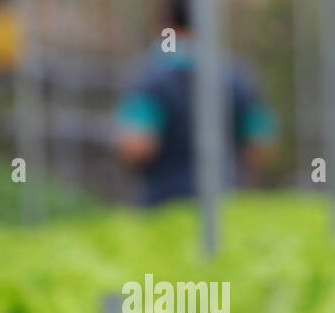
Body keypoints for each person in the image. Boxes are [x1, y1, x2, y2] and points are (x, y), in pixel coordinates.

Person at [114, 0, 276, 206]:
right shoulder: (237, 75)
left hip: (164, 206)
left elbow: (137, 147)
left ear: (165, 22)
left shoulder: (149, 77)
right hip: (227, 201)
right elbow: (260, 147)